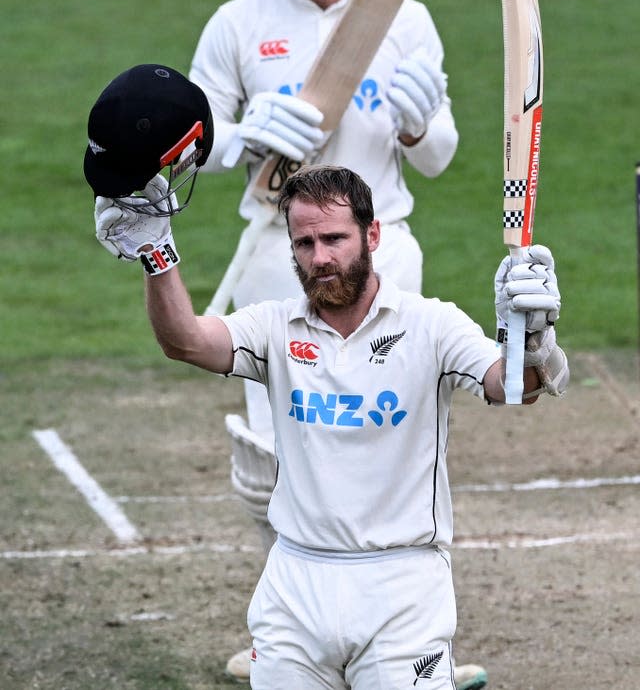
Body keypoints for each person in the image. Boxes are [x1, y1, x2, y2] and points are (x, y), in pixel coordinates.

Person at [91, 158, 569, 690]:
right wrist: (158, 257)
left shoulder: (431, 324)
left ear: (373, 234)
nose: (320, 258)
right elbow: (185, 341)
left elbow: (514, 388)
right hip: (295, 584)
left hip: (402, 587)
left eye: (335, 240)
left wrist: (530, 342)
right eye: (304, 244)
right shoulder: (273, 326)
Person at [188, 0, 486, 686]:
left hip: (382, 251)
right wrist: (243, 138)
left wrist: (423, 126)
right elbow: (198, 134)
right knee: (267, 452)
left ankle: (419, 641)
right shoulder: (240, 21)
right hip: (279, 254)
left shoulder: (401, 17)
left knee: (398, 436)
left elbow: (439, 158)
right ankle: (282, 629)